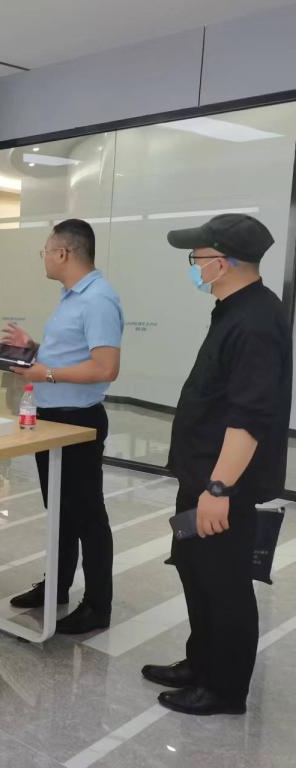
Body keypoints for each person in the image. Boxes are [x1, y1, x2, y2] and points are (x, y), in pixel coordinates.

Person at [142, 214, 291, 716]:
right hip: (201, 478)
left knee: (224, 583)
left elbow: (249, 418)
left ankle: (225, 689)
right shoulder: (233, 310)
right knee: (195, 569)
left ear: (222, 263)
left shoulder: (256, 322)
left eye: (197, 257)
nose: (193, 265)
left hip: (224, 487)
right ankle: (200, 662)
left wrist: (219, 489)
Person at [2, 219, 122, 634]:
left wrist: (45, 373)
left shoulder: (98, 299)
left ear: (63, 253)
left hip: (78, 421)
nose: (45, 257)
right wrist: (34, 349)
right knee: (61, 511)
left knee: (88, 515)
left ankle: (98, 605)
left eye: (46, 250)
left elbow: (105, 368)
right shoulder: (71, 297)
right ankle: (57, 585)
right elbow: (74, 354)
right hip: (53, 418)